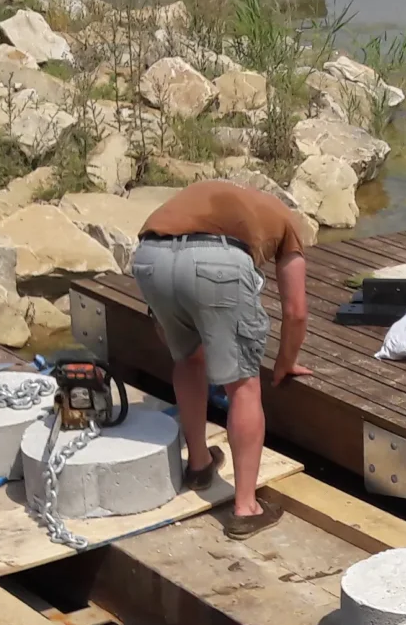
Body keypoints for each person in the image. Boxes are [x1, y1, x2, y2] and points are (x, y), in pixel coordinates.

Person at [130, 179, 314, 539]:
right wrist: (285, 361)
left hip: (150, 257)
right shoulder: (286, 220)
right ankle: (246, 508)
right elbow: (296, 311)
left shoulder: (216, 192)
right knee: (243, 384)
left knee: (188, 359)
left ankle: (199, 465)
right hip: (216, 262)